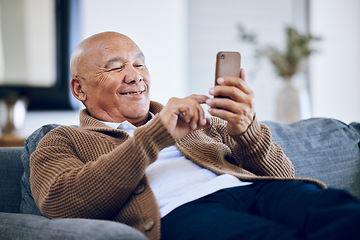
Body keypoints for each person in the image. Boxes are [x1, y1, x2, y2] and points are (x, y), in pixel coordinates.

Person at [30, 31, 360, 240]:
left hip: (252, 193)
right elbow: (62, 202)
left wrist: (245, 129)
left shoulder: (200, 121)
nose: (135, 76)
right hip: (182, 213)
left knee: (340, 212)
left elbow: (281, 176)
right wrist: (153, 138)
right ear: (79, 88)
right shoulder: (60, 141)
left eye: (140, 65)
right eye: (116, 68)